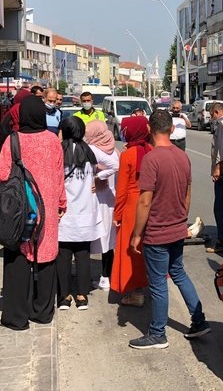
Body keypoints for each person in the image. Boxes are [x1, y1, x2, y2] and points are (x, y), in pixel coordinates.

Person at [128, 110, 210, 350]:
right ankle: (199, 320)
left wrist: (136, 234)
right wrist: (181, 219)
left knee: (158, 284)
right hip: (177, 227)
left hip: (157, 231)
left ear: (149, 129)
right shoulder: (182, 156)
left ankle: (157, 333)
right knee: (178, 273)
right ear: (172, 129)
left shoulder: (151, 159)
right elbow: (187, 193)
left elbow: (145, 201)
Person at [0, 96, 66, 330]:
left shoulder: (13, 139)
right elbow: (59, 176)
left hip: (19, 209)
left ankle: (16, 317)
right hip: (47, 207)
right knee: (46, 257)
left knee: (18, 257)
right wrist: (61, 204)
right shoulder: (52, 140)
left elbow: (1, 174)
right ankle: (42, 312)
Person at [55, 116, 109, 311]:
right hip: (86, 212)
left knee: (63, 255)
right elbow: (114, 164)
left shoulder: (58, 151)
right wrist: (98, 178)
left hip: (64, 212)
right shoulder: (90, 150)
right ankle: (82, 296)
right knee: (83, 254)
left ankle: (64, 296)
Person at [111, 116, 151, 307]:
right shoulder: (151, 150)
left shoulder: (127, 155)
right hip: (151, 202)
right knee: (146, 248)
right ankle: (148, 286)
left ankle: (135, 291)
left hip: (131, 206)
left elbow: (121, 190)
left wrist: (117, 214)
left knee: (130, 251)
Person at [85, 120, 119, 290]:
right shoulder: (114, 148)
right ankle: (106, 277)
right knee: (108, 240)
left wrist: (98, 177)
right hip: (111, 198)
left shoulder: (93, 149)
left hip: (97, 199)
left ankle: (88, 277)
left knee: (91, 238)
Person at [206, 102, 223, 254]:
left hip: (222, 171)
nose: (212, 119)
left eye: (212, 115)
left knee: (221, 207)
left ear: (216, 112)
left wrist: (217, 168)